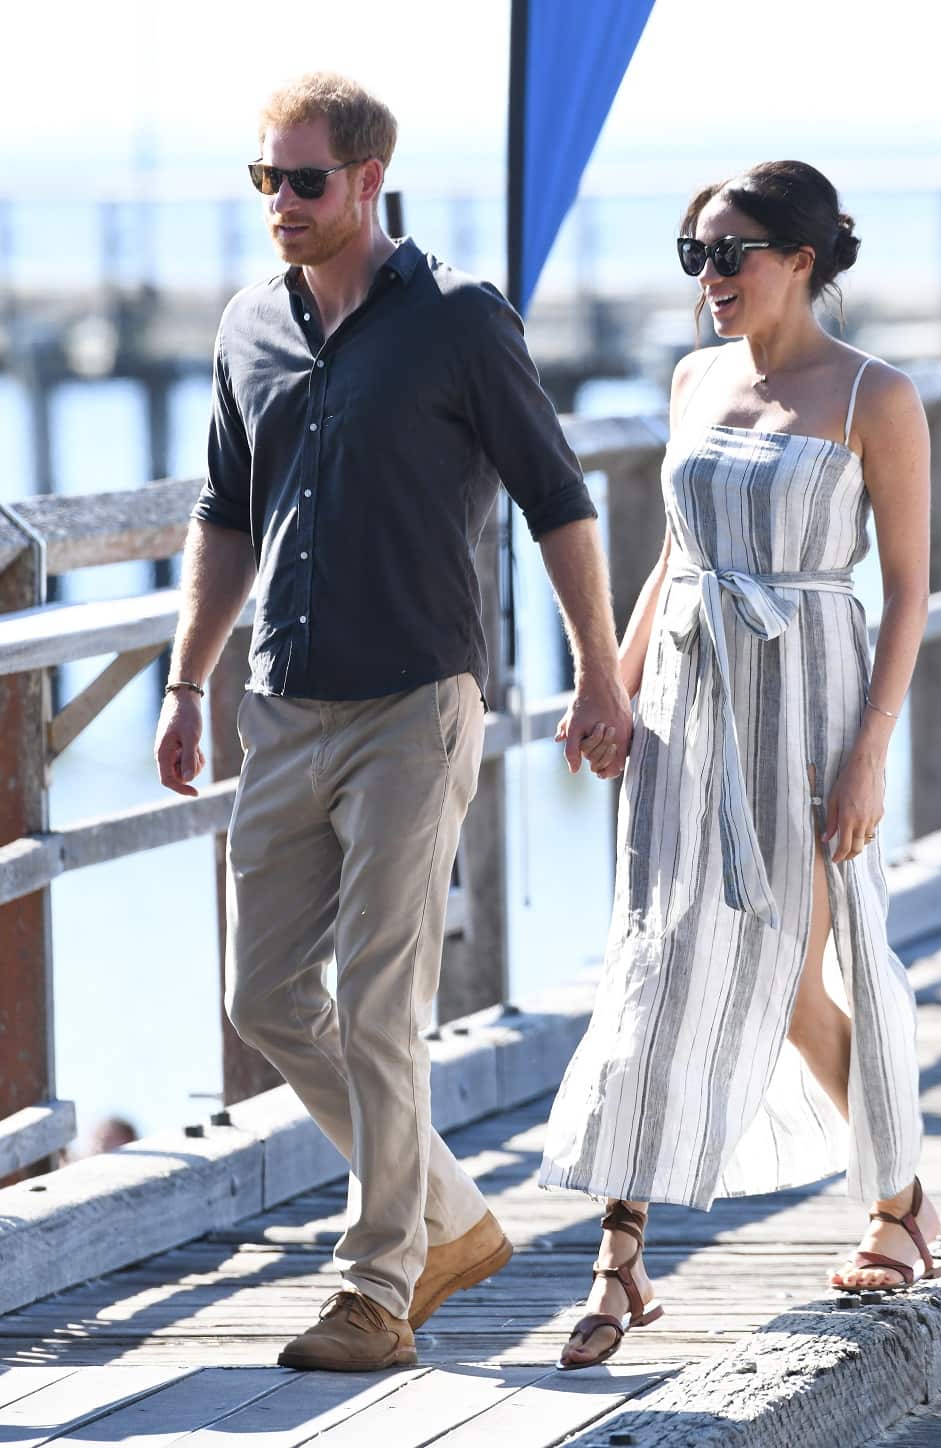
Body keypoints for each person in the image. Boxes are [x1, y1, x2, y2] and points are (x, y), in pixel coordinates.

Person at [154, 70, 631, 1374]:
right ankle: (457, 1222)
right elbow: (224, 514)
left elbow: (557, 497)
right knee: (264, 999)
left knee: (377, 998)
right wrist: (189, 682)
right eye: (266, 180)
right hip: (281, 701)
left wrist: (599, 673)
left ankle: (375, 1287)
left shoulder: (462, 322)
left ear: (370, 179)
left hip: (419, 698)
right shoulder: (247, 325)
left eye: (304, 181)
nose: (281, 205)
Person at [540, 160, 938, 1370]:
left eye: (732, 253)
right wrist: (607, 676)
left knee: (798, 969)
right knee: (656, 960)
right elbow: (677, 550)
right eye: (693, 255)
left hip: (810, 705)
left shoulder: (876, 393)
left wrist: (868, 754)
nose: (708, 278)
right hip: (685, 701)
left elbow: (912, 589)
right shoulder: (693, 378)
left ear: (803, 258)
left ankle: (902, 1194)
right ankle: (620, 1253)